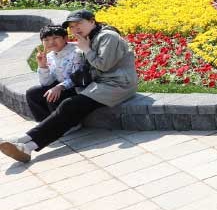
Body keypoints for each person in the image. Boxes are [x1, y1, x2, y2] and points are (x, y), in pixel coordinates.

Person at [1, 10, 137, 164]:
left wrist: (86, 48)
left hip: (117, 85)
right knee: (58, 101)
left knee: (69, 105)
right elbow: (85, 70)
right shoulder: (90, 37)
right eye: (71, 26)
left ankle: (25, 142)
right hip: (99, 84)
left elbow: (104, 65)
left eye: (79, 23)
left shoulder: (108, 37)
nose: (75, 29)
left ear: (92, 21)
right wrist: (58, 82)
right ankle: (27, 144)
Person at [23, 25, 84, 124]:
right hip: (60, 86)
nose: (51, 42)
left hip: (76, 88)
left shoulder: (77, 53)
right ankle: (46, 123)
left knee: (53, 95)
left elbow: (77, 77)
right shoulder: (49, 56)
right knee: (33, 93)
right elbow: (46, 83)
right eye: (46, 39)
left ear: (65, 38)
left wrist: (59, 87)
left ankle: (68, 125)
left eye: (55, 38)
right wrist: (43, 66)